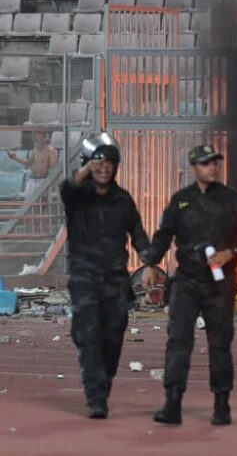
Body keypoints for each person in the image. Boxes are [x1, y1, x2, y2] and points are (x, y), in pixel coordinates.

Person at [142, 144, 237, 426]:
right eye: (206, 163)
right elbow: (163, 235)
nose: (212, 167)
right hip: (187, 281)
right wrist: (149, 264)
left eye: (215, 163)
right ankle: (172, 403)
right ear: (194, 167)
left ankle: (221, 404)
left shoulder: (231, 200)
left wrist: (231, 251)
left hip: (219, 283)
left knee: (219, 344)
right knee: (178, 340)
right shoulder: (181, 200)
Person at [59, 132, 151, 419]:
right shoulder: (77, 197)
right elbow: (67, 187)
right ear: (88, 164)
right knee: (89, 337)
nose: (104, 167)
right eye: (99, 161)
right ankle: (96, 397)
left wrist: (148, 263)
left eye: (110, 161)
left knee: (112, 339)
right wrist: (89, 164)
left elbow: (138, 234)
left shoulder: (123, 200)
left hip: (115, 281)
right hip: (84, 279)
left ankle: (103, 380)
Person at [8, 131, 58, 198]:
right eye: (36, 134)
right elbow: (28, 163)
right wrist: (15, 158)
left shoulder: (51, 150)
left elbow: (54, 169)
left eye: (39, 133)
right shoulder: (35, 149)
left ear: (44, 135)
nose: (37, 136)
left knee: (41, 204)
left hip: (42, 181)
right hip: (31, 180)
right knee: (28, 205)